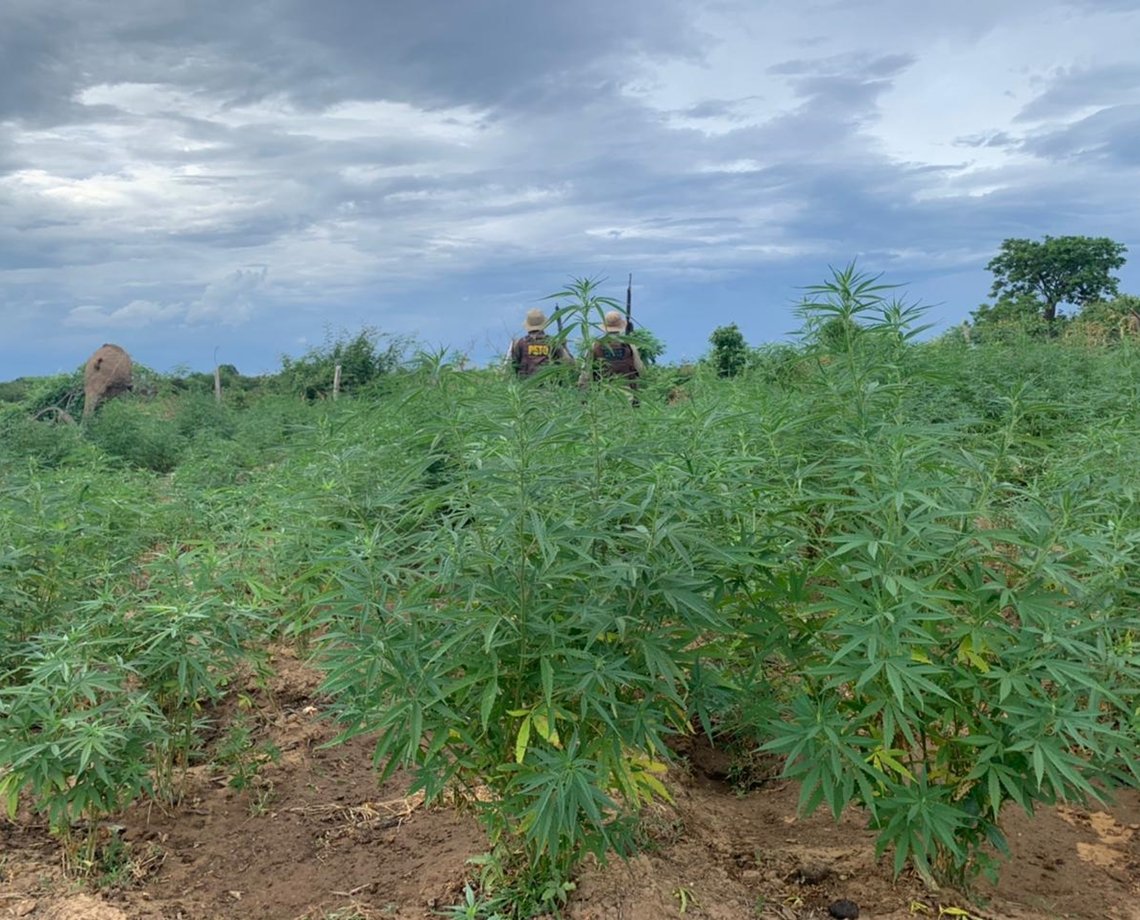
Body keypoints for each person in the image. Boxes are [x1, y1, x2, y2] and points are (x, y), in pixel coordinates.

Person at [581, 310, 644, 405]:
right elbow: (640, 370)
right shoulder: (629, 346)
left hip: (602, 393)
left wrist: (584, 395)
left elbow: (586, 374)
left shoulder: (594, 346)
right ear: (621, 326)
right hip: (627, 394)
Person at [510, 308, 572, 378]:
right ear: (543, 324)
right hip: (549, 385)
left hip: (526, 385)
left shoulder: (520, 343)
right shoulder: (553, 342)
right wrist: (564, 347)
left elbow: (514, 365)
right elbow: (569, 363)